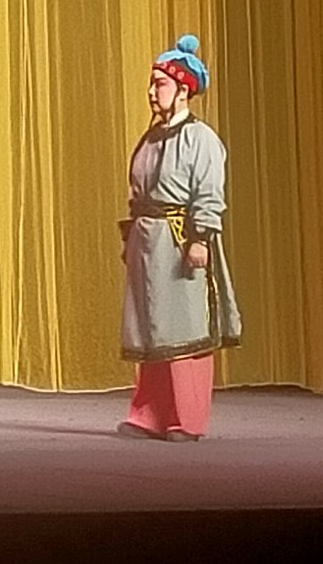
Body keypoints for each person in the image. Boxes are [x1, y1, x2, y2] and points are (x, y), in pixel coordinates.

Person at [118, 34, 241, 441]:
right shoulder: (150, 137)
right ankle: (149, 414)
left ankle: (186, 419)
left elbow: (208, 191)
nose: (152, 92)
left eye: (160, 84)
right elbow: (138, 192)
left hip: (180, 241)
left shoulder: (201, 139)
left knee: (184, 329)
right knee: (151, 328)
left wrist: (200, 238)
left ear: (183, 89)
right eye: (151, 84)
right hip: (147, 244)